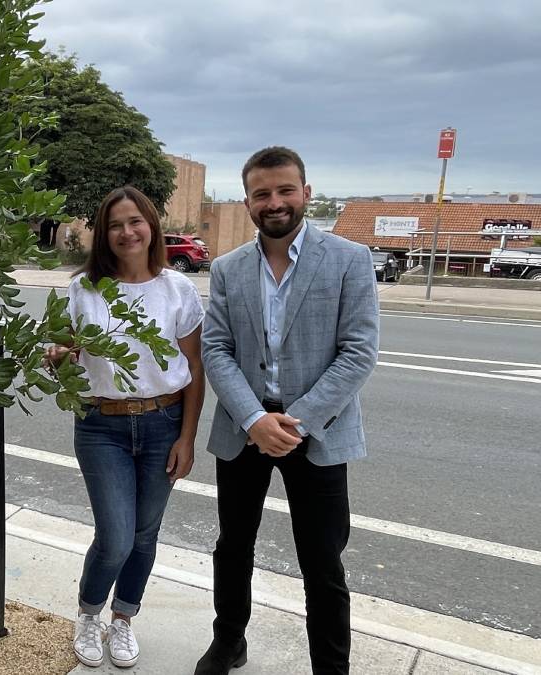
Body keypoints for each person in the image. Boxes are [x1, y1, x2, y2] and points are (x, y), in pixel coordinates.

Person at [196, 146, 379, 675]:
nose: (274, 202)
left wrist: (292, 422)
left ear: (306, 193)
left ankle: (331, 666)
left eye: (284, 190)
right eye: (261, 194)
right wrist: (255, 420)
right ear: (248, 201)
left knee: (322, 562)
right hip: (244, 429)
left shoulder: (348, 259)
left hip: (316, 435)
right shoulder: (229, 268)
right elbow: (217, 348)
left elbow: (358, 352)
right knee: (233, 547)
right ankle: (228, 641)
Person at [46, 186, 205, 669]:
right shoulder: (83, 289)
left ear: (152, 226)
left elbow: (195, 370)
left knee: (144, 535)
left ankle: (123, 619)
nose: (126, 232)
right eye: (115, 224)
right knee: (115, 536)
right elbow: (63, 355)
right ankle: (89, 613)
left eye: (135, 221)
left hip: (164, 422)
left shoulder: (179, 289)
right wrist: (57, 359)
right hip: (101, 426)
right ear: (104, 233)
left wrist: (187, 437)